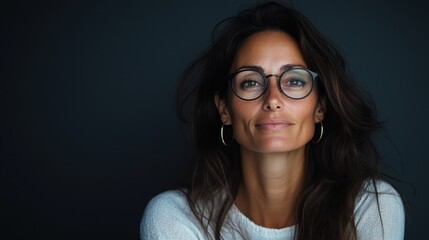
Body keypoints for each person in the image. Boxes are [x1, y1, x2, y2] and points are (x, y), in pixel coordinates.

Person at [140, 2, 405, 239]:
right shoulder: (173, 218)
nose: (273, 99)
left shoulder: (372, 207)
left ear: (319, 108)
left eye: (295, 80)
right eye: (251, 82)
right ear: (224, 110)